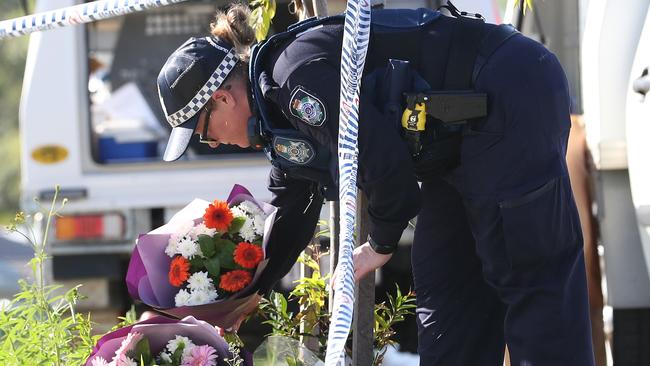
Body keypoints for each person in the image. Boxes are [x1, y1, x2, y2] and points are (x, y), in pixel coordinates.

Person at [156, 3, 595, 365]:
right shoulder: (276, 107)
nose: (212, 143)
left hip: (508, 92)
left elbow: (383, 162)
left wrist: (380, 244)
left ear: (223, 98)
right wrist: (250, 294)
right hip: (457, 141)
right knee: (448, 298)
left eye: (204, 132)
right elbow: (293, 205)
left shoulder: (295, 81)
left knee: (530, 277)